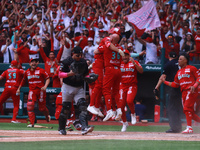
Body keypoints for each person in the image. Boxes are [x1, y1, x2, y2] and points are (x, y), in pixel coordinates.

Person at [58, 46, 94, 135]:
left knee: (83, 106)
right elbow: (60, 74)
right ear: (73, 54)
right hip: (67, 86)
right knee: (66, 108)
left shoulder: (83, 62)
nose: (79, 57)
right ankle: (61, 128)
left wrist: (90, 78)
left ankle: (84, 127)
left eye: (81, 55)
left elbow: (86, 74)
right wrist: (69, 74)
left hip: (79, 87)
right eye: (78, 55)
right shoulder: (66, 61)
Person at [160, 53, 200, 134]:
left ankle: (189, 128)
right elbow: (175, 84)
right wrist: (165, 82)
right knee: (190, 112)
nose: (178, 61)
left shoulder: (192, 68)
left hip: (191, 90)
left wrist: (194, 86)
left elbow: (199, 78)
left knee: (186, 109)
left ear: (185, 61)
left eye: (180, 59)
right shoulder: (179, 72)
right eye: (178, 59)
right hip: (183, 92)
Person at [16, 58, 51, 127]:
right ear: (29, 64)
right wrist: (19, 88)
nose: (33, 63)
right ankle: (32, 123)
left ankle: (47, 116)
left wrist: (45, 86)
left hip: (41, 90)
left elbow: (47, 79)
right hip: (32, 91)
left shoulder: (41, 70)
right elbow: (23, 81)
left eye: (35, 62)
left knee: (42, 108)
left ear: (37, 63)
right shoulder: (27, 72)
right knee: (30, 105)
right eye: (32, 62)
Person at [155, 51, 182, 133]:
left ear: (169, 57)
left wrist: (157, 87)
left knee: (171, 108)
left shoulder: (168, 64)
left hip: (173, 88)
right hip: (182, 88)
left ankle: (175, 128)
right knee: (177, 108)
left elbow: (163, 76)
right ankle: (179, 126)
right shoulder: (180, 63)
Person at [119, 50, 143, 132]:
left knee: (129, 101)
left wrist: (135, 63)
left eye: (126, 55)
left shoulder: (134, 61)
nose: (124, 57)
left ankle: (133, 114)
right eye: (123, 55)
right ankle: (124, 123)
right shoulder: (119, 63)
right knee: (121, 106)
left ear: (129, 56)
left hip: (132, 85)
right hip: (122, 85)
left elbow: (141, 71)